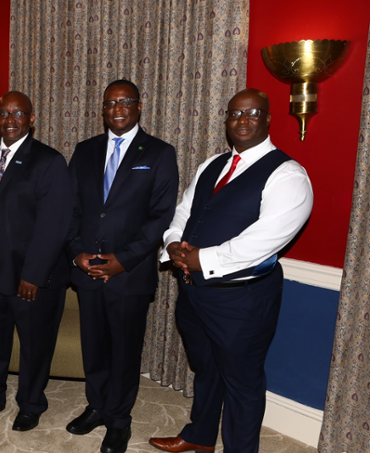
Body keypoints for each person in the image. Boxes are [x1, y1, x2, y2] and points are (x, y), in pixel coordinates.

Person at [148, 88, 313, 453]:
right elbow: (184, 211)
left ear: (268, 119)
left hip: (243, 300)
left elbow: (265, 239)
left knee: (242, 383)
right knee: (206, 370)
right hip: (193, 294)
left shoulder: (288, 175)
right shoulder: (212, 165)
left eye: (252, 113)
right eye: (235, 113)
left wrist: (202, 259)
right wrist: (174, 243)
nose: (242, 120)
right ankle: (200, 436)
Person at [66, 79, 179, 453]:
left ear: (138, 107)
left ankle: (119, 419)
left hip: (129, 274)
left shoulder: (160, 153)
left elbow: (160, 217)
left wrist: (123, 261)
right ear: (102, 109)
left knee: (124, 350)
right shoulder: (84, 151)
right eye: (110, 103)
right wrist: (77, 253)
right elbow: (71, 210)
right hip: (87, 269)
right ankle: (97, 406)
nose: (117, 109)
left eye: (124, 102)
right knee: (94, 347)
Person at [0, 91, 73, 432]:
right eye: (4, 113)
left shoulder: (49, 161)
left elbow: (54, 225)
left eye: (18, 113)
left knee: (35, 346)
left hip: (30, 278)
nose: (10, 120)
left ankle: (31, 404)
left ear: (31, 119)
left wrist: (34, 275)